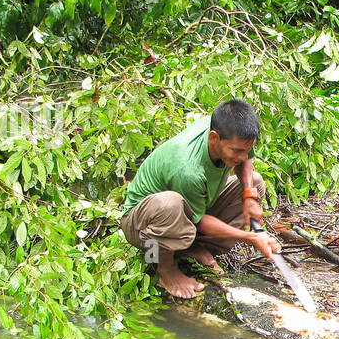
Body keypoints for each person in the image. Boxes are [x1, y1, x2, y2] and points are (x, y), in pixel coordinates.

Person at [120, 98, 282, 299]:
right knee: (169, 205)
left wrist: (249, 194)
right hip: (143, 229)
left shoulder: (226, 129)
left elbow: (245, 161)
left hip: (187, 212)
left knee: (255, 182)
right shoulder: (188, 169)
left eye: (246, 150)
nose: (242, 156)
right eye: (237, 151)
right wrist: (251, 237)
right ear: (214, 138)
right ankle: (165, 270)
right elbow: (201, 221)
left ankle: (191, 247)